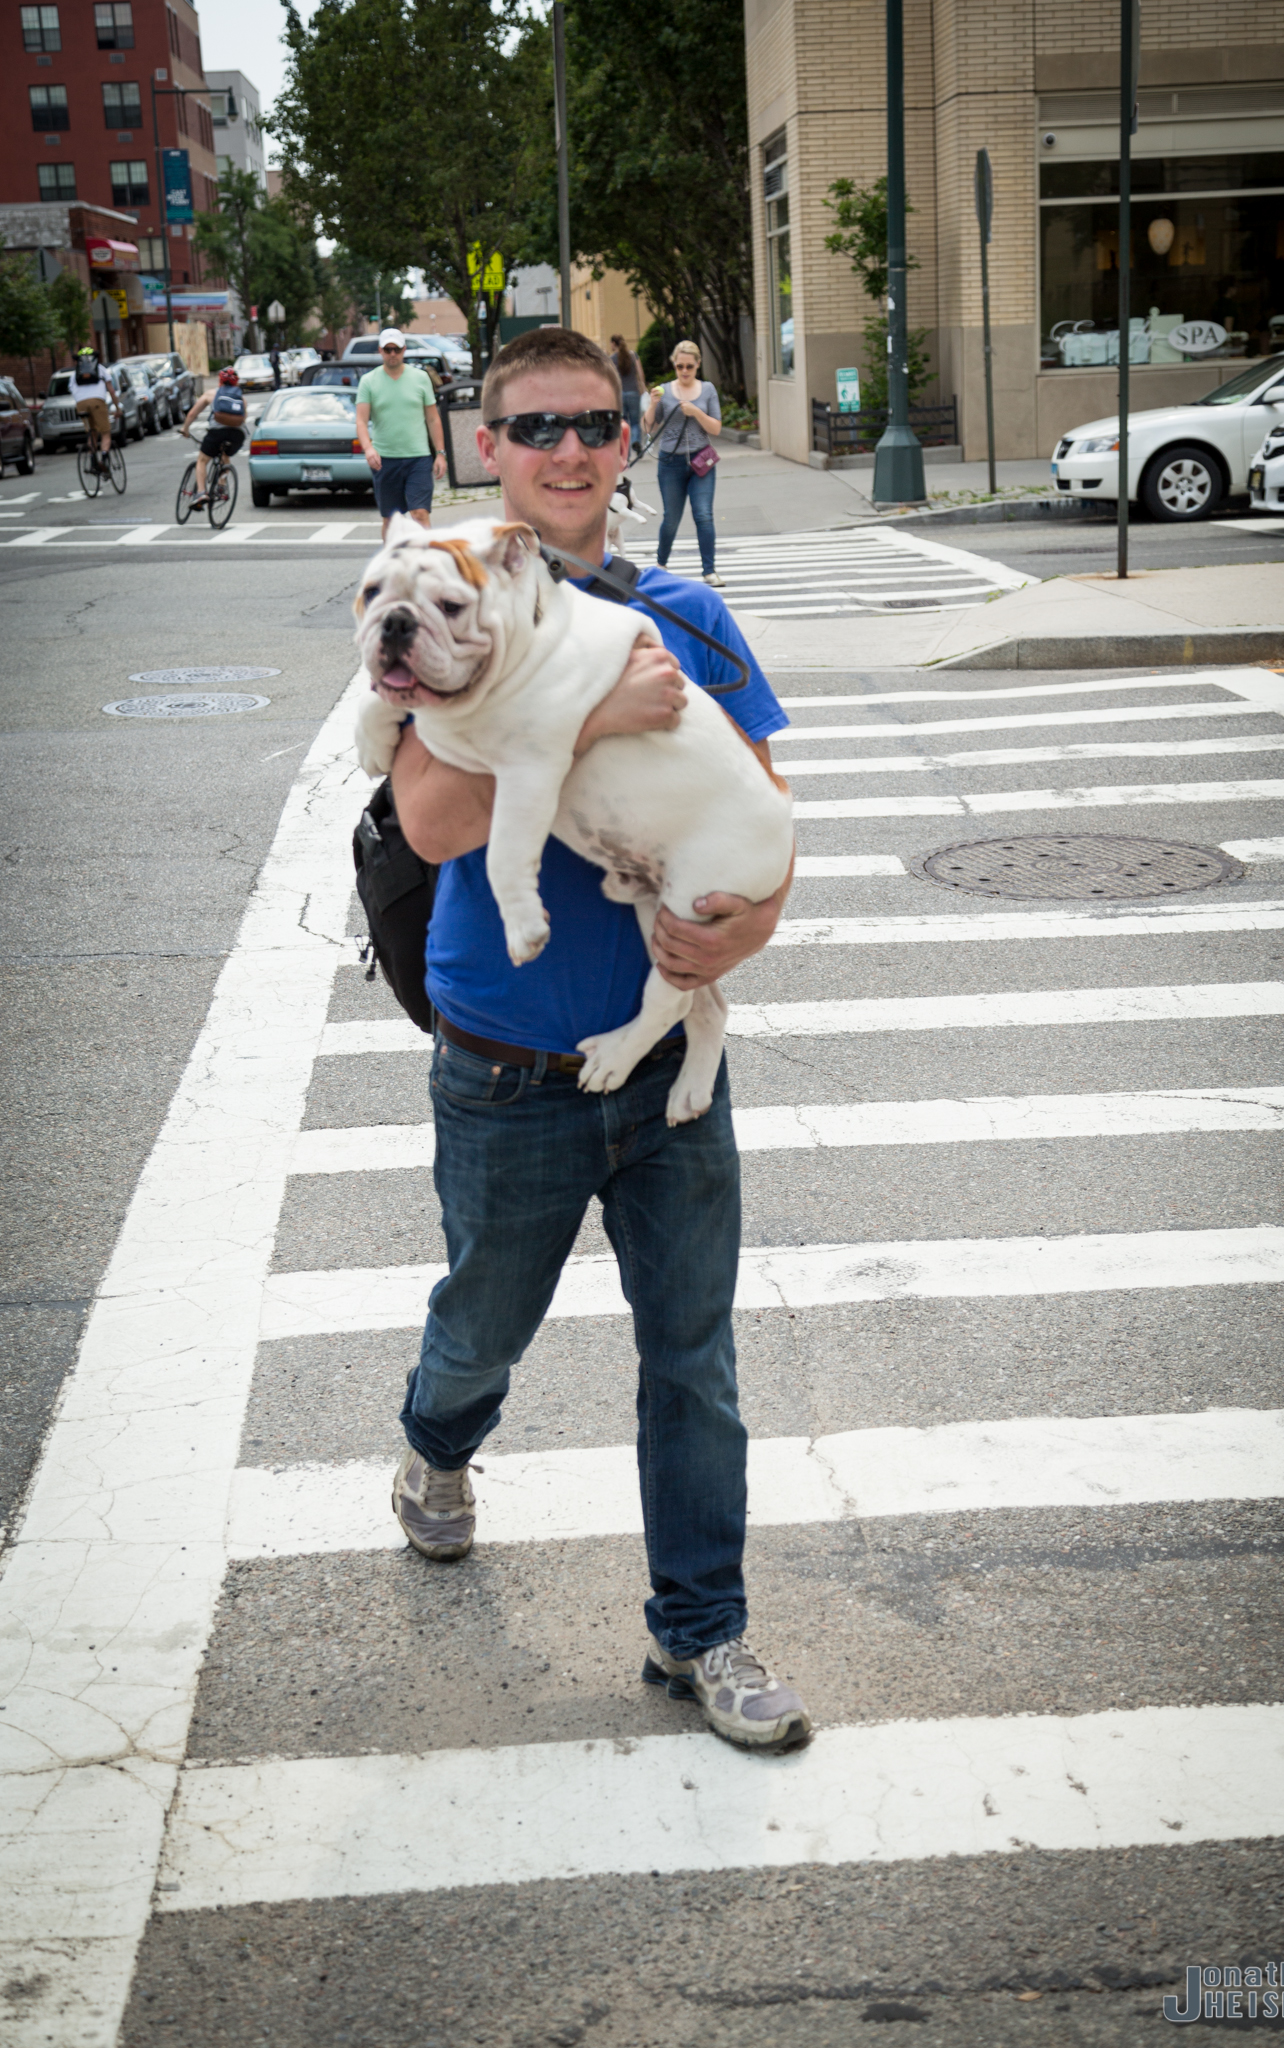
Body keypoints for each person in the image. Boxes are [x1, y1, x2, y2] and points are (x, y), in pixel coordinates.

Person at [386, 325, 810, 1752]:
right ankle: (437, 1447)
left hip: (669, 1070)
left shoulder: (685, 615)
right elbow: (440, 823)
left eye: (592, 423)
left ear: (630, 443)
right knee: (482, 1334)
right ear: (485, 450)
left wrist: (744, 931)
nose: (568, 449)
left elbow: (761, 807)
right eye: (534, 427)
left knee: (691, 1356)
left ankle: (705, 1632)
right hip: (507, 1068)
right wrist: (581, 722)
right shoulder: (445, 604)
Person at [644, 340, 724, 586]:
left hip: (701, 461)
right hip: (670, 462)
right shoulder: (665, 390)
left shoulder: (708, 390)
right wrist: (653, 403)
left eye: (690, 366)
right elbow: (648, 425)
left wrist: (696, 412)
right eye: (680, 366)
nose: (685, 371)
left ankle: (709, 571)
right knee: (671, 517)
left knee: (703, 515)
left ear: (698, 364)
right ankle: (661, 565)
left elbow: (716, 428)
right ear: (674, 366)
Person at [356, 329, 448, 538]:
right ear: (380, 351)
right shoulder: (369, 381)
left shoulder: (421, 378)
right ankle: (391, 565)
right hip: (385, 460)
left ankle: (426, 562)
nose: (392, 354)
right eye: (387, 349)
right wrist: (368, 448)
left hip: (418, 458)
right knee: (391, 519)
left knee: (420, 514)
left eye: (396, 349)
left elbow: (433, 418)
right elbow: (361, 420)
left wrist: (440, 453)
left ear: (404, 350)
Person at [179, 366, 247, 509]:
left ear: (220, 381)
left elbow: (192, 414)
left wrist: (185, 429)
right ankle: (221, 487)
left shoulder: (211, 394)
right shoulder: (240, 398)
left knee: (202, 460)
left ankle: (201, 492)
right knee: (225, 454)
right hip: (237, 436)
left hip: (217, 433)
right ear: (236, 383)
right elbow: (243, 419)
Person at [71, 345, 116, 463]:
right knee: (105, 433)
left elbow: (72, 391)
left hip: (81, 405)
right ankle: (105, 459)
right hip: (97, 402)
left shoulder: (74, 374)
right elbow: (111, 390)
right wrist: (118, 408)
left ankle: (92, 460)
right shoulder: (101, 369)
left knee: (92, 432)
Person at [611, 332, 645, 454]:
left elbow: (611, 378)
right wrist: (643, 387)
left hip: (620, 394)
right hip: (634, 392)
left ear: (614, 344)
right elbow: (640, 373)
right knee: (635, 421)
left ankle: (626, 451)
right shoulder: (633, 355)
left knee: (623, 422)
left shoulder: (612, 359)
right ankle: (636, 441)